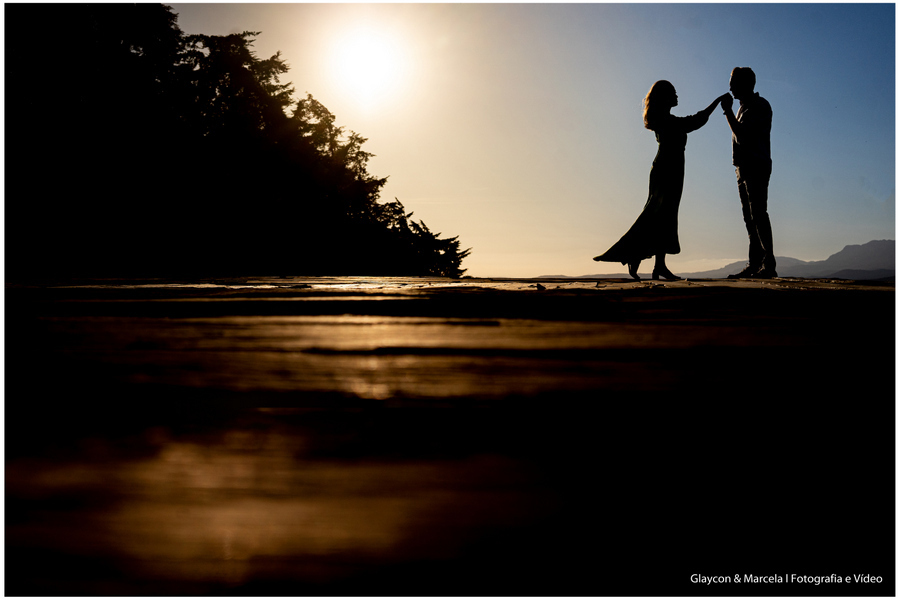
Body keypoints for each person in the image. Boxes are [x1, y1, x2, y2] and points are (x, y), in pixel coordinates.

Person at [594, 81, 728, 280]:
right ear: (664, 97)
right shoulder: (665, 121)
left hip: (671, 170)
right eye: (673, 92)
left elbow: (693, 121)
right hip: (666, 170)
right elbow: (694, 121)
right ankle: (638, 255)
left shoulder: (665, 119)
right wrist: (717, 102)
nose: (677, 95)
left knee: (665, 217)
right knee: (658, 216)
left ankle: (657, 265)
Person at [721, 67, 776, 278]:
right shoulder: (744, 107)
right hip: (743, 168)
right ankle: (755, 263)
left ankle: (768, 263)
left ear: (745, 84)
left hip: (756, 165)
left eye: (733, 82)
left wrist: (727, 111)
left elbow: (743, 135)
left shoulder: (759, 106)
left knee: (758, 214)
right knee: (749, 217)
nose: (730, 87)